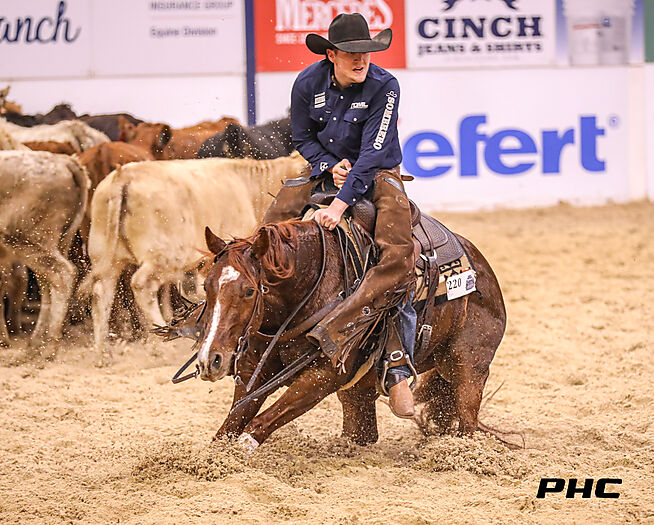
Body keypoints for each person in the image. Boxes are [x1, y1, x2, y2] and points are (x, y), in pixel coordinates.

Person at [263, 13, 417, 418]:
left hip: (378, 172)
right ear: (331, 54)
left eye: (366, 52)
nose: (360, 59)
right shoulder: (307, 83)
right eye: (351, 53)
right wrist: (328, 165)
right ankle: (245, 318)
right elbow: (302, 137)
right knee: (269, 227)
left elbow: (373, 152)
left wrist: (339, 203)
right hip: (328, 168)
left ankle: (397, 365)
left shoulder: (385, 85)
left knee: (398, 252)